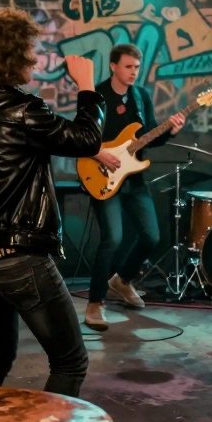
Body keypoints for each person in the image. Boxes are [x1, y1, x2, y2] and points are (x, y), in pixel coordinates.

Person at [0, 7, 103, 397]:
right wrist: (88, 87)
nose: (35, 57)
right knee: (70, 361)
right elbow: (86, 141)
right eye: (30, 48)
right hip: (18, 260)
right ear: (13, 56)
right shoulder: (24, 110)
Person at [86, 44, 185, 330]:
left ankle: (122, 279)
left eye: (137, 68)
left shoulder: (141, 96)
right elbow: (82, 135)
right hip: (102, 174)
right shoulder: (96, 96)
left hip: (134, 177)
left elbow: (149, 136)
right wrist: (98, 153)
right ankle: (94, 304)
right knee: (112, 239)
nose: (133, 73)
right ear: (114, 66)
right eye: (128, 67)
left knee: (151, 237)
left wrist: (170, 130)